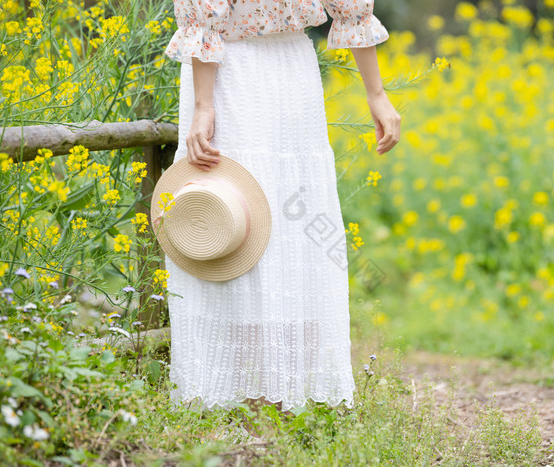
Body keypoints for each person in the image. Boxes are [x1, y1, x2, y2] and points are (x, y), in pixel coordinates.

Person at [162, 0, 401, 435]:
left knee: (285, 226)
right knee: (232, 215)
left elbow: (350, 8)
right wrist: (203, 103)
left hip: (283, 71)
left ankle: (284, 391)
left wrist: (377, 93)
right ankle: (238, 394)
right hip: (229, 75)